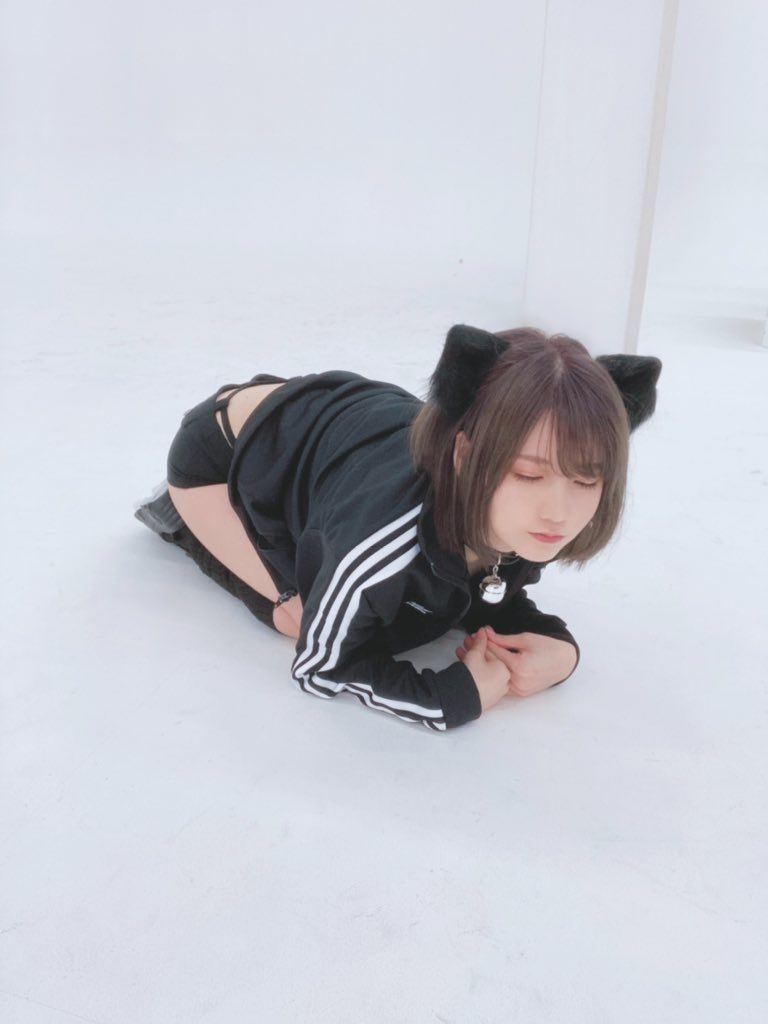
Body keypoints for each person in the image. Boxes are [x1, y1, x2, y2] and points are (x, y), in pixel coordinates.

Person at [134, 323, 662, 731]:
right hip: (221, 454)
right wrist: (449, 697)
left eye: (586, 480)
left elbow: (486, 588)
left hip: (338, 429)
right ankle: (180, 516)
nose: (559, 512)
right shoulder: (383, 538)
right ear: (464, 455)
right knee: (300, 616)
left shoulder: (512, 512)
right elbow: (320, 665)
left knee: (429, 590)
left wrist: (560, 649)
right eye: (529, 475)